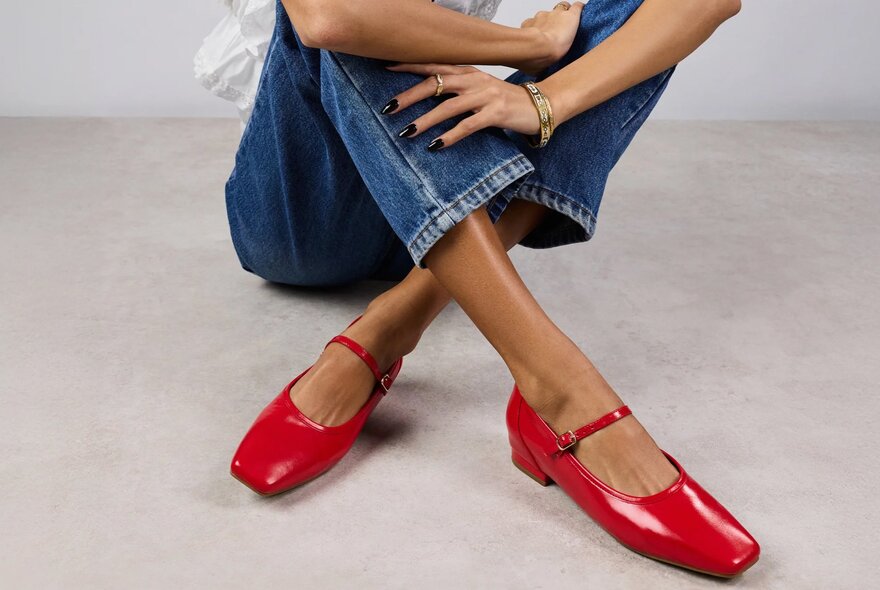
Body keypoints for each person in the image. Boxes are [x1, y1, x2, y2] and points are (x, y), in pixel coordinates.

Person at [223, 0, 759, 577]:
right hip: (307, 219)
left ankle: (392, 320)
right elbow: (330, 17)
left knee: (630, 11)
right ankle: (562, 390)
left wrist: (544, 100)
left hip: (441, 176)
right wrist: (533, 48)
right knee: (353, 19)